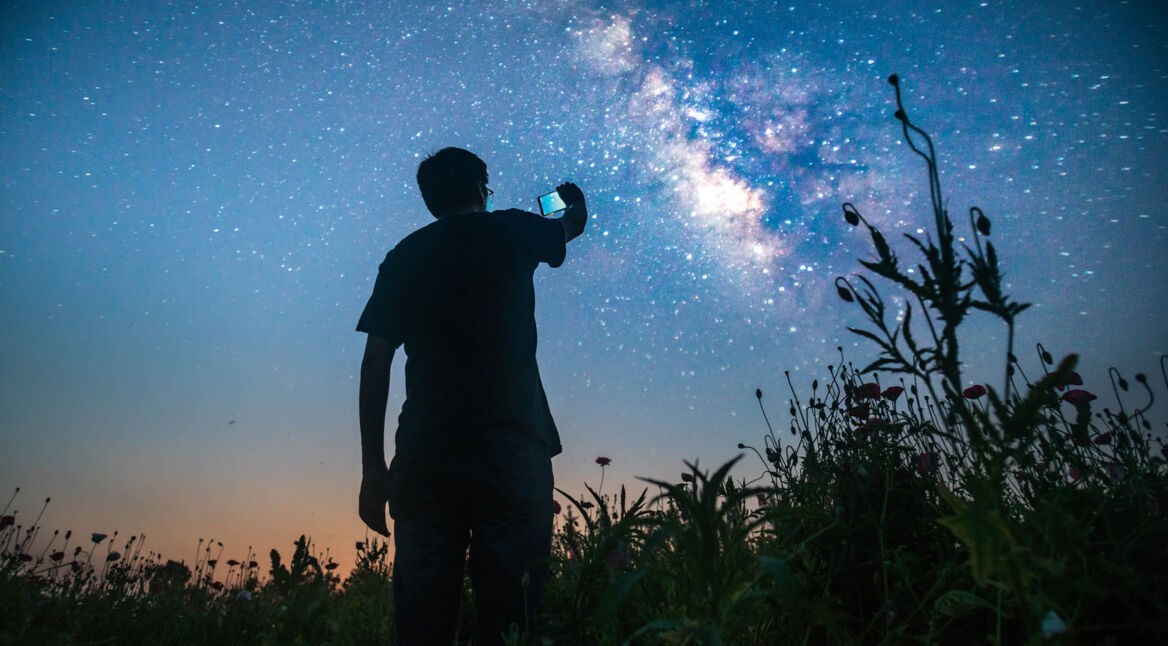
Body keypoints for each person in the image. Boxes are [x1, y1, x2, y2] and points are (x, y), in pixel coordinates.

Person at [356, 146, 587, 644]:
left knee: (421, 625)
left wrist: (373, 469)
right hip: (513, 451)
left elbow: (376, 361)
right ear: (483, 187)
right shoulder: (514, 228)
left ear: (430, 201)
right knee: (514, 622)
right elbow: (574, 225)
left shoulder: (404, 256)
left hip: (425, 455)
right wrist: (572, 201)